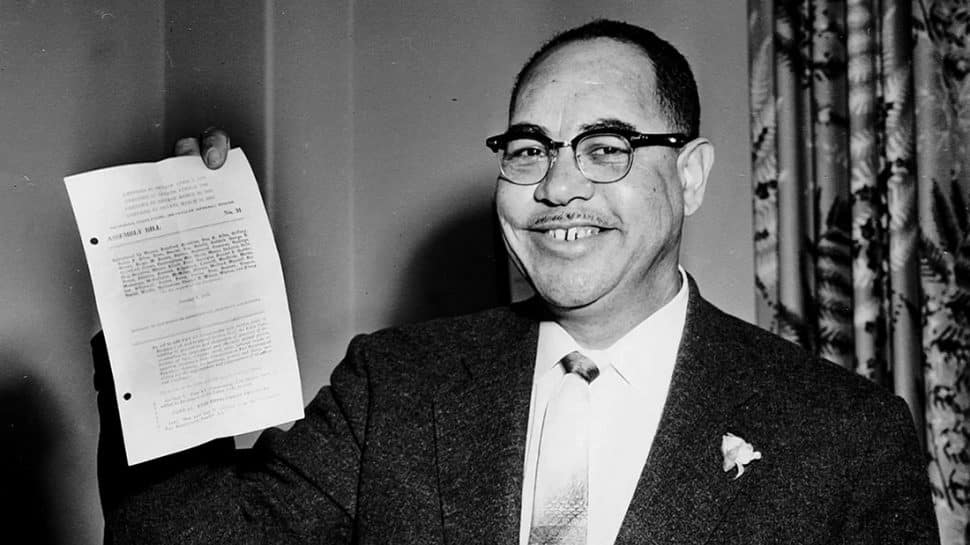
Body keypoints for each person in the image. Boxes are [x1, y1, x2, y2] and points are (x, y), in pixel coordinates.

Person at [94, 19, 938, 544]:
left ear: (690, 176)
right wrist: (169, 309)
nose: (557, 187)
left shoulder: (845, 436)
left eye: (606, 147)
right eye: (530, 149)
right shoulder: (394, 385)